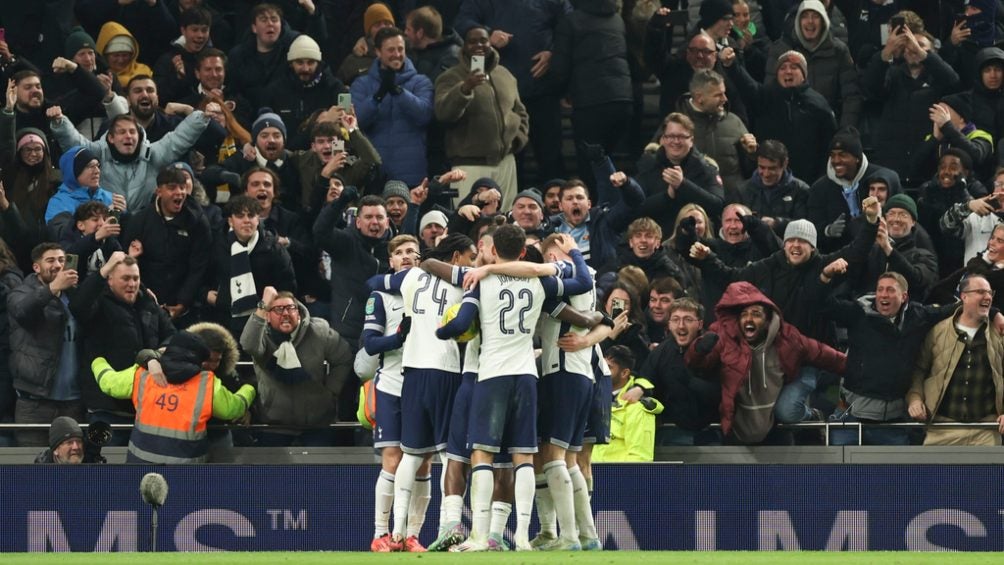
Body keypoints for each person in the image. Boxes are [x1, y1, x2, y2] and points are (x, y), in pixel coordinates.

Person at [437, 224, 592, 551]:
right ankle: (522, 535)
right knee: (523, 455)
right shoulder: (541, 280)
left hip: (492, 374)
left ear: (493, 251)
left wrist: (442, 331)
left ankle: (479, 535)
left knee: (483, 453)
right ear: (523, 252)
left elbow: (462, 324)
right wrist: (575, 252)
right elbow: (582, 281)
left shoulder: (480, 280)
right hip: (526, 375)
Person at [686, 281, 846, 444]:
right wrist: (698, 350)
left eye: (756, 314)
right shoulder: (723, 337)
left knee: (787, 412)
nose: (749, 319)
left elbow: (821, 353)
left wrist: (856, 370)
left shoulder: (787, 337)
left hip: (776, 418)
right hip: (742, 421)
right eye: (744, 314)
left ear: (768, 319)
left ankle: (810, 416)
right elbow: (697, 365)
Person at [817, 268, 960, 446]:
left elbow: (957, 309)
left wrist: (993, 313)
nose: (883, 295)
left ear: (904, 297)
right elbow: (822, 304)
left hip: (893, 424)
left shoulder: (919, 316)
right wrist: (825, 278)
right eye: (880, 289)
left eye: (891, 290)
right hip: (850, 419)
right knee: (840, 474)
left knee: (897, 474)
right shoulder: (857, 313)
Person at [91, 330, 256, 463]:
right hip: (186, 471)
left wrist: (97, 360)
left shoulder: (143, 374)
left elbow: (108, 383)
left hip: (140, 463)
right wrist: (250, 388)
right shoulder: (207, 384)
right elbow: (233, 409)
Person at [360, 235, 428, 552]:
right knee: (393, 458)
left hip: (425, 385)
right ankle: (381, 534)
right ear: (391, 261)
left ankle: (412, 534)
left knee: (424, 463)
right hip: (390, 384)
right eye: (399, 252)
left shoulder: (433, 292)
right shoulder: (380, 296)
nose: (405, 256)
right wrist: (398, 337)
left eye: (412, 251)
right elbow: (371, 344)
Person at [240, 286, 352, 447]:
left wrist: (330, 391)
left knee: (319, 472)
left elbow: (344, 357)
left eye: (291, 308)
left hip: (317, 423)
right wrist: (263, 304)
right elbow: (248, 344)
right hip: (274, 424)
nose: (285, 313)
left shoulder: (318, 330)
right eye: (278, 309)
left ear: (298, 313)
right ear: (268, 316)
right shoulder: (260, 335)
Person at [434, 25, 529, 209]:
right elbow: (443, 114)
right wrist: (465, 88)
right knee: (469, 219)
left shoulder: (505, 75)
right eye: (472, 41)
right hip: (469, 166)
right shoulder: (450, 77)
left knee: (506, 220)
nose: (479, 45)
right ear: (464, 46)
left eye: (483, 40)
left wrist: (517, 140)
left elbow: (521, 112)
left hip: (506, 163)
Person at [48, 106, 211, 211]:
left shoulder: (152, 154)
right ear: (111, 138)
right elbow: (75, 143)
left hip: (144, 225)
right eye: (122, 132)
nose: (128, 136)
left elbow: (177, 139)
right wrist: (60, 122)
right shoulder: (97, 154)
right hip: (105, 222)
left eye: (132, 132)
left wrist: (202, 117)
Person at [908, 273, 1004, 446]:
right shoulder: (937, 332)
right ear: (964, 296)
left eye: (990, 293)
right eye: (981, 292)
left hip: (985, 429)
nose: (988, 297)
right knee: (932, 474)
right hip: (942, 427)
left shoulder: (999, 334)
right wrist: (915, 398)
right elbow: (919, 370)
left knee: (989, 474)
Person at [862, 21, 958, 185]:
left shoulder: (938, 78)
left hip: (928, 157)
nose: (913, 49)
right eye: (910, 45)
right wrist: (886, 52)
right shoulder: (892, 74)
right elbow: (870, 88)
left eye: (920, 45)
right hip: (892, 158)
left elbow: (953, 81)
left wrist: (923, 55)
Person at [720, 48, 836, 183]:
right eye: (783, 68)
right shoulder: (764, 97)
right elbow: (745, 84)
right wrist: (731, 65)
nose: (788, 71)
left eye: (794, 67)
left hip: (808, 180)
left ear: (804, 75)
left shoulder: (818, 104)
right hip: (768, 177)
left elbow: (828, 144)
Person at [8, 243, 83, 447]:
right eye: (50, 260)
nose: (58, 265)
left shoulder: (75, 295)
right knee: (32, 470)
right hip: (35, 402)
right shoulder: (20, 292)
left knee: (72, 468)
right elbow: (23, 311)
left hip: (73, 401)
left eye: (61, 260)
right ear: (36, 267)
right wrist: (53, 288)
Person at [121, 166, 212, 327]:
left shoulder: (198, 222)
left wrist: (183, 303)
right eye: (172, 188)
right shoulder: (139, 221)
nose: (179, 192)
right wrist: (146, 299)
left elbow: (199, 266)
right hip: (144, 304)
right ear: (159, 191)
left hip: (185, 307)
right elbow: (127, 262)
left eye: (182, 188)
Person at [351, 26, 434, 187]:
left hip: (411, 174)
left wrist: (398, 92)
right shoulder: (361, 84)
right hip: (373, 174)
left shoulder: (420, 81)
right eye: (390, 50)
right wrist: (378, 96)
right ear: (378, 52)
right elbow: (355, 121)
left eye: (400, 49)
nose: (396, 54)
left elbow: (424, 115)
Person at [207, 195, 296, 337]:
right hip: (224, 319)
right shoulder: (217, 246)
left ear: (258, 219)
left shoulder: (273, 248)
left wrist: (269, 307)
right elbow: (203, 277)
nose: (247, 220)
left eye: (251, 215)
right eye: (240, 216)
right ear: (230, 221)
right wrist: (207, 296)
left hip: (265, 321)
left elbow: (288, 285)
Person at [764, 0, 861, 128]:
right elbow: (769, 94)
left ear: (824, 21)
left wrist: (844, 132)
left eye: (815, 16)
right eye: (805, 16)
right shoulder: (780, 49)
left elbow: (851, 96)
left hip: (827, 127)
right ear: (798, 21)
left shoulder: (839, 51)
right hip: (788, 126)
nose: (810, 21)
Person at [313, 191, 391, 345]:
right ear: (358, 222)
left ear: (387, 222)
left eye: (379, 217)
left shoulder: (395, 250)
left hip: (385, 334)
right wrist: (340, 202)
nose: (374, 222)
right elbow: (320, 232)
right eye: (368, 217)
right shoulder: (345, 243)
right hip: (347, 335)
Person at [807, 126, 902, 253]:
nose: (836, 161)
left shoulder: (882, 179)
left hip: (879, 251)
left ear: (857, 157)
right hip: (838, 255)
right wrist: (827, 231)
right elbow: (812, 228)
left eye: (842, 155)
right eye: (832, 155)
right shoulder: (819, 188)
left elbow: (900, 212)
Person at [640, 297, 720, 446]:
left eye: (688, 320)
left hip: (713, 432)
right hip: (672, 432)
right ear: (669, 324)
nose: (681, 326)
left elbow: (721, 393)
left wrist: (692, 382)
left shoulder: (714, 348)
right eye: (676, 320)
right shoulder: (661, 353)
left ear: (700, 324)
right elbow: (646, 379)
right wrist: (639, 389)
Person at [634, 112, 724, 237]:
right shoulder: (648, 166)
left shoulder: (706, 168)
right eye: (671, 136)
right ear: (663, 139)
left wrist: (683, 185)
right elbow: (636, 208)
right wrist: (667, 196)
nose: (676, 141)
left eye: (681, 137)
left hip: (697, 241)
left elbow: (717, 205)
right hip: (656, 241)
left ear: (691, 140)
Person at [261, 34, 347, 151]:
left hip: (328, 156)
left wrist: (335, 160)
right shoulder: (274, 91)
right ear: (291, 63)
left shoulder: (337, 89)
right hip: (288, 157)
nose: (306, 68)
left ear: (318, 63)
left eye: (311, 62)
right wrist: (320, 123)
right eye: (300, 63)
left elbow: (346, 135)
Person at [679, 69, 755, 200]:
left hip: (732, 202)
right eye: (718, 95)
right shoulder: (676, 124)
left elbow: (750, 170)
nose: (725, 99)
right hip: (693, 204)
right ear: (699, 97)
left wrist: (752, 153)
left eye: (724, 93)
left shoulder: (734, 121)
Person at [592, 345, 664, 462]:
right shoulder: (591, 401)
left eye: (608, 368)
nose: (601, 372)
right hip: (588, 475)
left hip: (617, 477)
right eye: (600, 366)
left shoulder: (638, 409)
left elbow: (640, 458)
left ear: (624, 373)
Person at [739, 140, 810, 238]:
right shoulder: (742, 190)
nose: (766, 174)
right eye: (762, 167)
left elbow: (806, 226)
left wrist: (777, 224)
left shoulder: (801, 190)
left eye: (772, 168)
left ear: (785, 164)